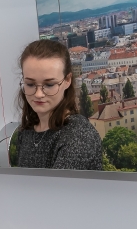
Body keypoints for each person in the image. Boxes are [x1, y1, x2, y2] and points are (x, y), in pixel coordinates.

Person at [8, 39, 103, 170]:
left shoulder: (78, 137)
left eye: (49, 84)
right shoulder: (27, 131)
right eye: (30, 84)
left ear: (67, 80)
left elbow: (56, 190)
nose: (39, 94)